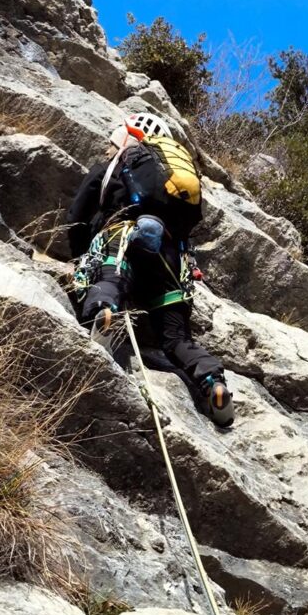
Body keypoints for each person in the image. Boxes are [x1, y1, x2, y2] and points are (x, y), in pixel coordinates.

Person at [67, 112, 234, 427]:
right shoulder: (173, 182)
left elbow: (80, 209)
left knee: (109, 280)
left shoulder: (119, 162)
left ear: (128, 138)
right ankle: (213, 382)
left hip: (123, 236)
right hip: (170, 257)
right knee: (176, 338)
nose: (108, 147)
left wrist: (78, 253)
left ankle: (103, 314)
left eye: (112, 141)